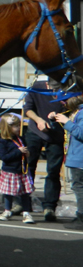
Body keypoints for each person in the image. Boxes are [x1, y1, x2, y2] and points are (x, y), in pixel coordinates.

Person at [23, 77, 65, 222]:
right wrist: (39, 120)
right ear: (47, 83)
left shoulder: (68, 89)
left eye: (57, 89)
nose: (55, 92)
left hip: (56, 134)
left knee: (53, 171)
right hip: (35, 131)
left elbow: (72, 108)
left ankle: (49, 207)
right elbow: (27, 109)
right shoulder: (37, 86)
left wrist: (60, 117)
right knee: (28, 167)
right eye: (52, 89)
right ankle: (21, 203)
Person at [50, 96, 83, 230]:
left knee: (79, 188)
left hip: (80, 159)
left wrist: (66, 122)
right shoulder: (76, 113)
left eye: (64, 101)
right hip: (76, 157)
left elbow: (81, 133)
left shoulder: (81, 113)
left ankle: (81, 218)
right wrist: (55, 121)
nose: (63, 104)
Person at [0, 114, 35, 224]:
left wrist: (27, 153)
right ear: (7, 127)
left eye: (18, 125)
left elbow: (25, 150)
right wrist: (18, 151)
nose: (18, 128)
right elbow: (5, 157)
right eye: (15, 126)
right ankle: (7, 210)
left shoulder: (21, 139)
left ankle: (26, 212)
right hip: (10, 171)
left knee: (25, 193)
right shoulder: (2, 142)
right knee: (8, 193)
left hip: (22, 170)